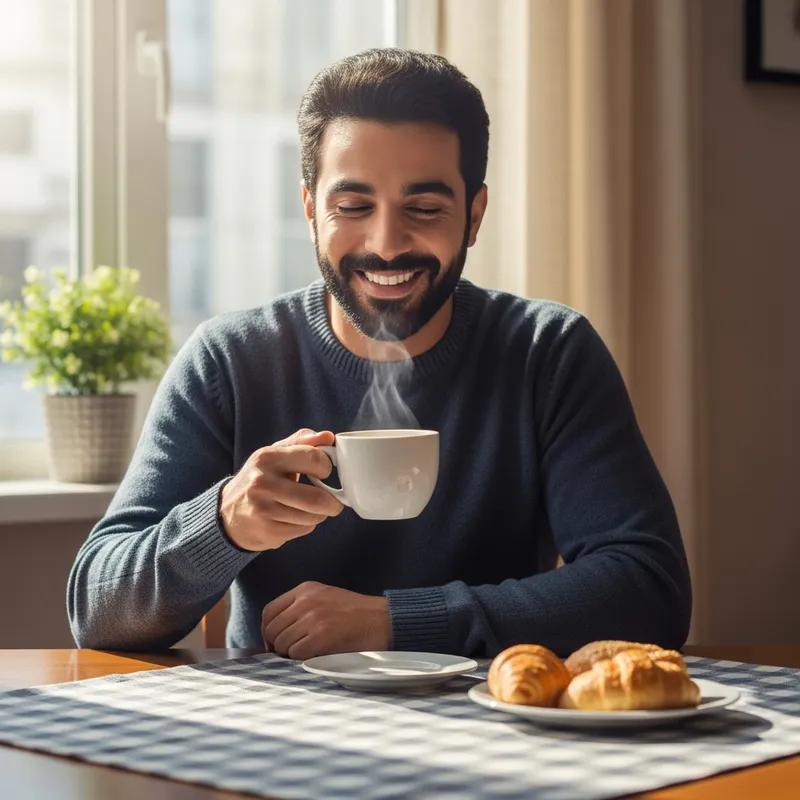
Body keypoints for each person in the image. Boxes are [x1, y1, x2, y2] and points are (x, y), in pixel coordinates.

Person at [67, 48, 691, 658]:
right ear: (310, 210)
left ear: (474, 216)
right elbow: (96, 613)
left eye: (423, 208)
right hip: (275, 736)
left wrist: (401, 621)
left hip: (495, 726)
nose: (387, 244)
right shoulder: (231, 361)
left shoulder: (546, 353)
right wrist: (224, 522)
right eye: (352, 206)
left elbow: (649, 588)